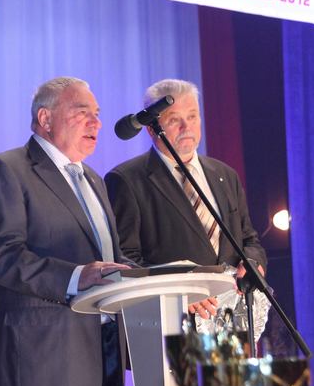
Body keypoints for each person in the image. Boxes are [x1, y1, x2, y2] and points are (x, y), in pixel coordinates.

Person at [0, 77, 132, 386]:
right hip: (36, 371)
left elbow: (109, 260)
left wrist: (162, 279)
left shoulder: (93, 180)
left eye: (97, 114)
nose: (96, 123)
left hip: (94, 370)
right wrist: (76, 276)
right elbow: (2, 256)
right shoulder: (7, 170)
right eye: (82, 113)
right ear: (45, 119)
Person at [105, 78, 266, 320]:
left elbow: (249, 239)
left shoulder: (224, 175)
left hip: (232, 316)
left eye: (192, 117)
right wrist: (180, 290)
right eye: (174, 120)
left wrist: (253, 262)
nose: (186, 127)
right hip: (171, 319)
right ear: (151, 128)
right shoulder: (127, 180)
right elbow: (125, 259)